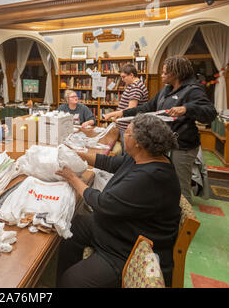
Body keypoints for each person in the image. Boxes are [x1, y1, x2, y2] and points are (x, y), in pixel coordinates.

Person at [55, 114, 181, 288]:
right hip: (119, 229)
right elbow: (110, 162)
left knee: (73, 280)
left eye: (127, 133)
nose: (123, 135)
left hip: (128, 248)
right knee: (73, 227)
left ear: (138, 142)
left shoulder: (151, 177)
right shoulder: (143, 157)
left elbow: (102, 203)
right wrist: (76, 153)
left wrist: (73, 179)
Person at [104, 56, 217, 202]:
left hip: (182, 146)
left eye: (165, 73)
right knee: (165, 183)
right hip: (165, 144)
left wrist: (186, 108)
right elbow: (147, 107)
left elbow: (210, 112)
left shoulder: (192, 90)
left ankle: (182, 221)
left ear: (176, 73)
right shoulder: (165, 90)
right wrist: (122, 113)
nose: (162, 75)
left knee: (180, 188)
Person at [114, 64, 148, 151]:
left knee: (128, 152)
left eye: (124, 77)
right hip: (126, 125)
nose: (122, 80)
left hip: (128, 127)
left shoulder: (136, 87)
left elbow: (131, 109)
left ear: (131, 75)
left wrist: (116, 115)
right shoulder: (133, 85)